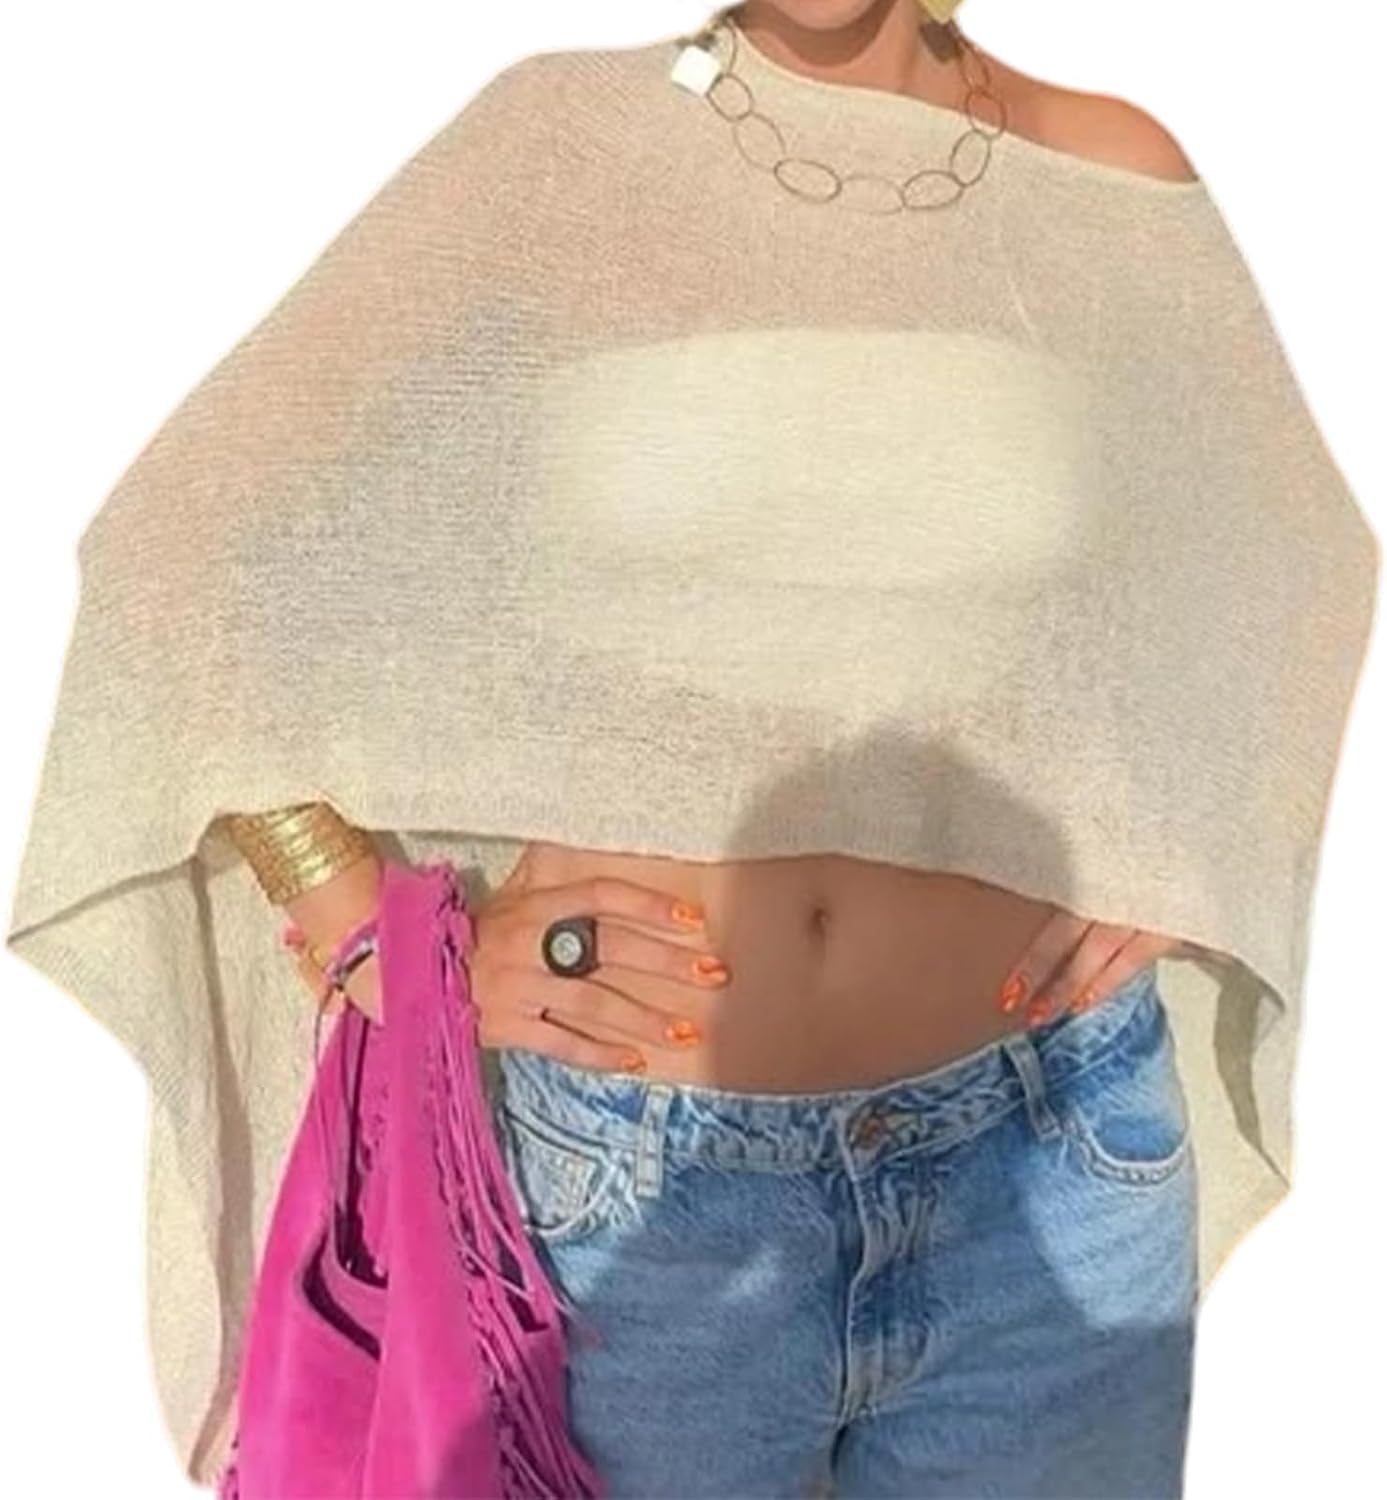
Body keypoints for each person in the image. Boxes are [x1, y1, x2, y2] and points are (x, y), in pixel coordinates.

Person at [6, 1, 1378, 1495]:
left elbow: (1289, 559)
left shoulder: (1103, 173)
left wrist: (1182, 841)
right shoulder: (557, 144)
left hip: (1054, 1161)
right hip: (633, 1179)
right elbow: (181, 553)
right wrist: (361, 933)